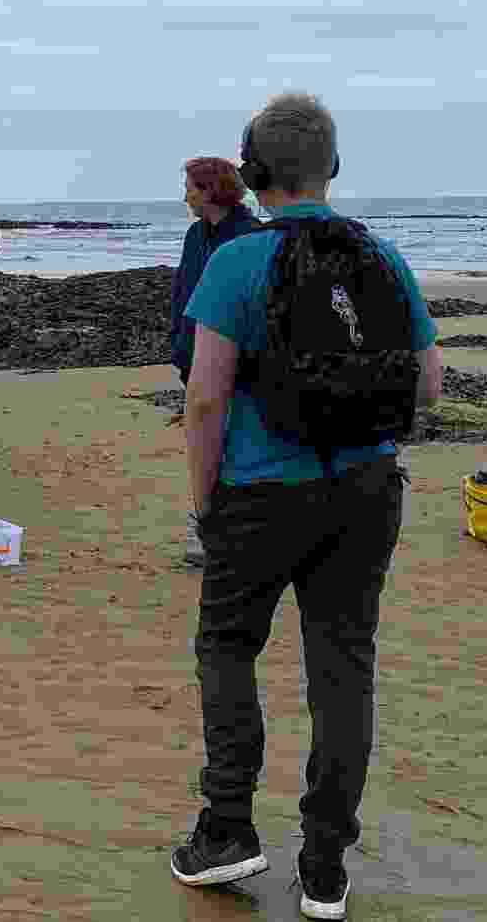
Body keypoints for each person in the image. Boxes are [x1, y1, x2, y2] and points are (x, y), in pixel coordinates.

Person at [171, 92, 442, 921]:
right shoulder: (383, 257)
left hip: (258, 492)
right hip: (364, 493)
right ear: (332, 164)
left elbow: (205, 400)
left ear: (253, 174)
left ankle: (227, 829)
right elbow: (428, 385)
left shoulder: (237, 261)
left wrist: (202, 502)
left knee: (227, 645)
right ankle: (324, 866)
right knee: (342, 669)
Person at [169, 156, 260, 568]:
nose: (185, 194)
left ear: (209, 189)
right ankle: (207, 526)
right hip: (194, 359)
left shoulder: (250, 236)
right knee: (203, 445)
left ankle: (226, 531)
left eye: (190, 186)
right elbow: (183, 294)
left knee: (236, 447)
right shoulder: (195, 235)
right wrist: (178, 346)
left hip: (242, 366)